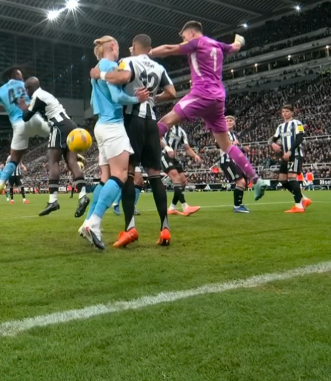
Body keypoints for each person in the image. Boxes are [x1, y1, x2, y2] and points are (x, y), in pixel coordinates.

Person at [148, 21, 263, 200]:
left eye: (184, 35)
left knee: (165, 121)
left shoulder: (196, 43)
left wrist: (148, 53)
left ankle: (140, 148)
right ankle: (256, 179)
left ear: (192, 33)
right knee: (227, 145)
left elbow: (170, 49)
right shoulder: (218, 45)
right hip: (218, 98)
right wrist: (239, 40)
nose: (183, 39)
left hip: (202, 93)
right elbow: (236, 46)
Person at [91, 34, 177, 247]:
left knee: (128, 174)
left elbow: (119, 78)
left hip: (132, 120)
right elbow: (172, 92)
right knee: (155, 175)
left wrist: (99, 74)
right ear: (149, 48)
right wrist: (153, 98)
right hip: (152, 122)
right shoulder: (159, 68)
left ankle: (130, 228)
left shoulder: (127, 62)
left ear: (135, 47)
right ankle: (165, 228)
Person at [78, 35, 149, 250]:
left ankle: (87, 223)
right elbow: (117, 98)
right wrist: (138, 99)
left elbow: (93, 101)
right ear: (113, 46)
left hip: (100, 126)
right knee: (120, 175)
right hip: (113, 126)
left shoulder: (97, 69)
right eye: (118, 47)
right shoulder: (109, 66)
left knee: (105, 178)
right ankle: (94, 223)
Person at [18, 76, 90, 217]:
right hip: (70, 125)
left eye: (26, 90)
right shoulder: (45, 94)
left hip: (58, 126)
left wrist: (23, 107)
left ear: (29, 88)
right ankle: (83, 196)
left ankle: (53, 201)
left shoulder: (37, 96)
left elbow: (26, 116)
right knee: (72, 162)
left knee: (53, 162)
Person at [0, 67, 50, 203]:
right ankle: (74, 153)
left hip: (19, 126)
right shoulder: (25, 84)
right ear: (14, 75)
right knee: (56, 133)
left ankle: (1, 184)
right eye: (20, 75)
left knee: (14, 159)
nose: (22, 77)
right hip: (34, 118)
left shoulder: (0, 91)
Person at [268, 104, 311, 213]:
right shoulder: (280, 127)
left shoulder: (297, 123)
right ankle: (303, 199)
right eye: (283, 112)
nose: (285, 113)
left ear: (292, 112)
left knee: (292, 178)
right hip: (285, 156)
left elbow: (300, 138)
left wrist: (290, 151)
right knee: (282, 180)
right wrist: (272, 144)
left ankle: (298, 206)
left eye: (287, 111)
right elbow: (273, 139)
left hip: (294, 154)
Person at [220, 113, 249, 213]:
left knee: (243, 183)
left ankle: (239, 204)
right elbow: (219, 145)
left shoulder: (234, 134)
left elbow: (234, 149)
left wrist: (243, 149)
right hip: (227, 161)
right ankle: (237, 207)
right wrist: (233, 143)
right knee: (240, 182)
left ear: (234, 123)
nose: (228, 122)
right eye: (226, 121)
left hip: (235, 161)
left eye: (231, 121)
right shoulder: (221, 132)